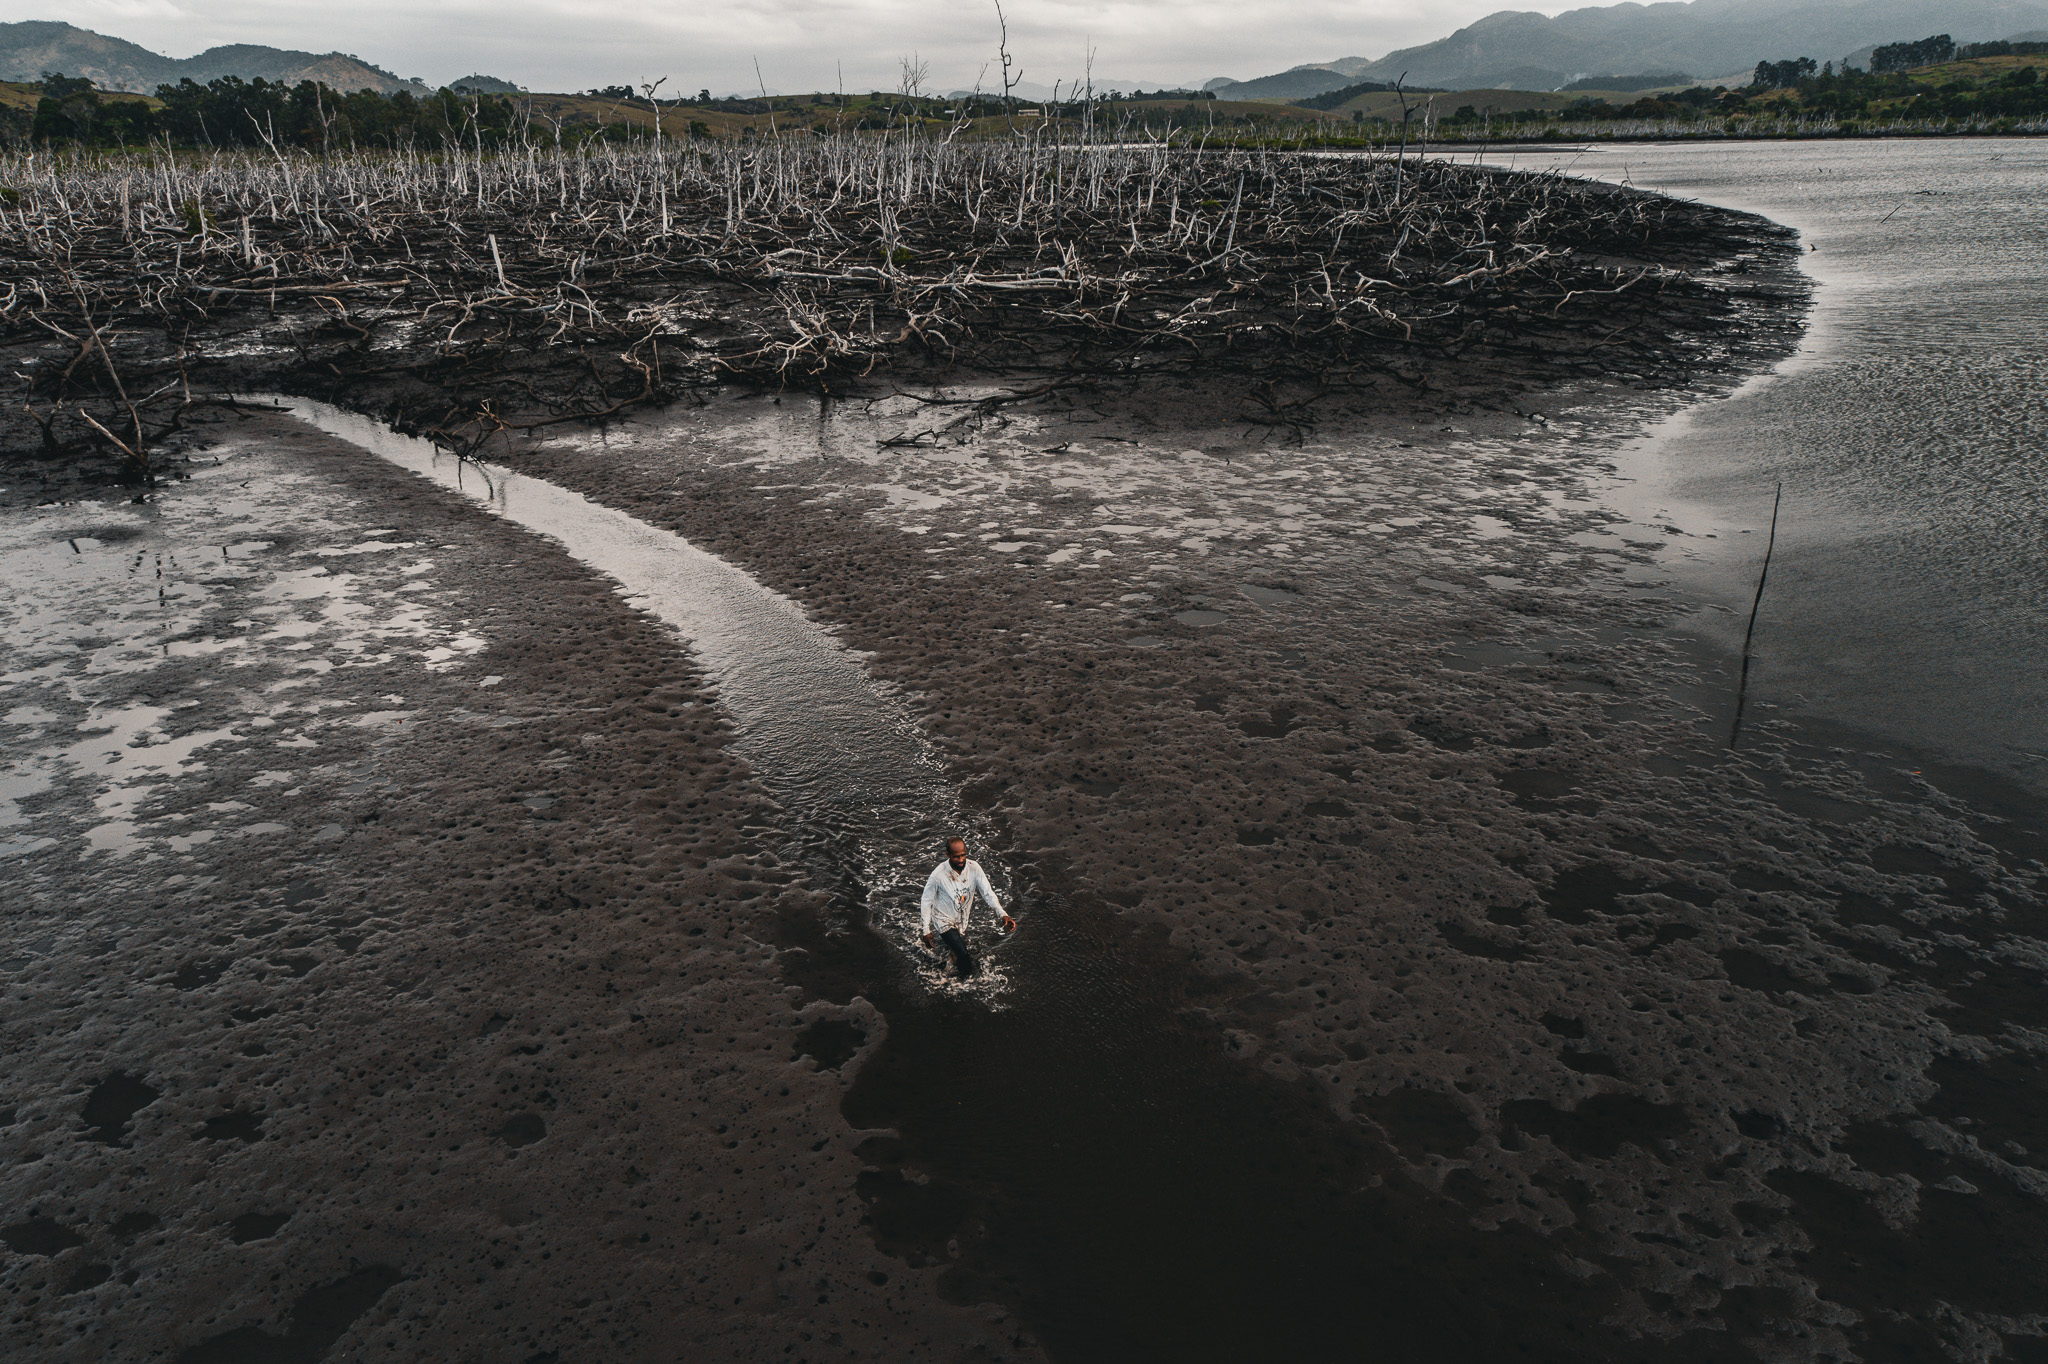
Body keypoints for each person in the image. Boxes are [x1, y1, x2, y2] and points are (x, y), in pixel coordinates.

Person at [920, 837, 1015, 978]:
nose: (961, 860)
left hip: (961, 921)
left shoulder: (974, 868)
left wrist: (1002, 914)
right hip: (943, 920)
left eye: (963, 855)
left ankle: (947, 970)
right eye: (956, 857)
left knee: (956, 951)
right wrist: (926, 930)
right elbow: (926, 901)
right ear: (948, 855)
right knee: (964, 954)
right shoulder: (938, 875)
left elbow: (988, 893)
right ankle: (965, 982)